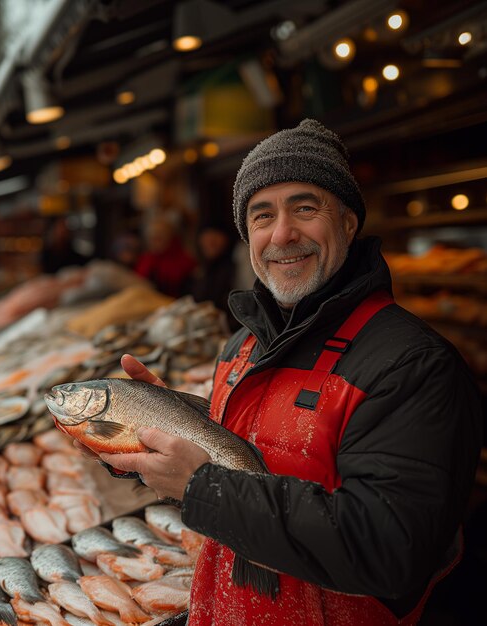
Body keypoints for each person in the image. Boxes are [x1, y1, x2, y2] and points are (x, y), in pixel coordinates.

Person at [80, 120, 482, 625]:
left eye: (305, 208)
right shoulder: (241, 347)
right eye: (262, 215)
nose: (282, 233)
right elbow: (237, 469)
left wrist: (204, 487)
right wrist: (148, 435)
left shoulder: (413, 365)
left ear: (349, 223)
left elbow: (388, 550)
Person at [134, 214, 197, 298]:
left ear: (169, 237)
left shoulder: (183, 260)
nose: (154, 242)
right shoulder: (146, 258)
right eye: (151, 238)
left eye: (158, 238)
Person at [187, 222, 237, 327]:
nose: (211, 240)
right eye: (206, 235)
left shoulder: (235, 268)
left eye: (216, 234)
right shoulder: (200, 269)